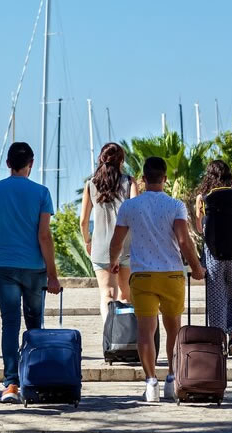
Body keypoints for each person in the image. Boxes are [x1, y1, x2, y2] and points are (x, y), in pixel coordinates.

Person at [109, 156, 205, 402]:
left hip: (142, 275)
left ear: (142, 179)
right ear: (164, 178)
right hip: (171, 274)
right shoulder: (175, 206)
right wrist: (196, 268)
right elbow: (184, 241)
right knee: (173, 329)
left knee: (145, 332)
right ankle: (172, 378)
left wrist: (113, 262)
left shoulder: (130, 207)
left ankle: (151, 381)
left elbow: (117, 241)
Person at [0, 142, 62, 404]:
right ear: (30, 164)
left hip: (5, 267)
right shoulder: (42, 192)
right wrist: (53, 275)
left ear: (9, 164)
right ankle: (34, 379)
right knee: (35, 325)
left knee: (10, 325)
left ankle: (10, 384)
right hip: (35, 269)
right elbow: (44, 236)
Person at [79, 142, 139, 322]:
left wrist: (87, 241)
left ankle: (109, 334)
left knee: (107, 295)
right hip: (127, 245)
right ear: (121, 161)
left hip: (101, 246)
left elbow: (83, 221)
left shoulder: (91, 184)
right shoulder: (129, 182)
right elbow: (135, 214)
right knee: (126, 296)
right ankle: (125, 338)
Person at [193, 159, 232, 356]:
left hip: (213, 254)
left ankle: (219, 341)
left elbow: (200, 229)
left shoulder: (203, 198)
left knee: (216, 298)